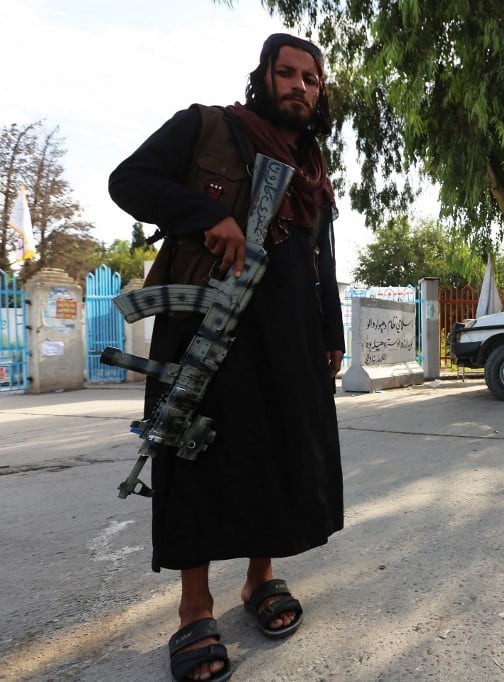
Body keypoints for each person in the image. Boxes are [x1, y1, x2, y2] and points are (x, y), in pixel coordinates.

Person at [109, 33, 344, 681]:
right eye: (287, 73)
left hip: (292, 336)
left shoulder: (315, 167)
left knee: (278, 456)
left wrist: (332, 334)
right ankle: (194, 609)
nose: (300, 85)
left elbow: (323, 259)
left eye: (311, 79)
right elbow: (127, 181)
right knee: (194, 459)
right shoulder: (207, 127)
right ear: (263, 77)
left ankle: (259, 579)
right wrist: (203, 215)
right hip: (206, 325)